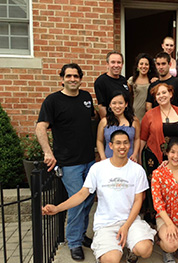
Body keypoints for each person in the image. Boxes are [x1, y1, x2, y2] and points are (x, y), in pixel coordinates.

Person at [42, 130, 156, 263]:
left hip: (130, 221)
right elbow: (81, 195)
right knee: (111, 260)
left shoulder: (137, 170)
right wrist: (57, 209)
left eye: (125, 143)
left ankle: (131, 250)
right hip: (106, 224)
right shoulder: (98, 168)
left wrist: (126, 226)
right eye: (118, 143)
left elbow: (138, 201)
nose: (122, 146)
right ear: (111, 145)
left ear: (129, 145)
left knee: (145, 250)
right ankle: (110, 249)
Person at [36, 63, 96, 260]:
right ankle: (74, 242)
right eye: (68, 76)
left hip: (89, 160)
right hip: (69, 164)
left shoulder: (86, 98)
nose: (72, 79)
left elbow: (92, 120)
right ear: (62, 78)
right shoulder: (53, 101)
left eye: (76, 76)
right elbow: (40, 127)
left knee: (88, 200)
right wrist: (48, 152)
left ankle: (80, 235)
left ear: (80, 78)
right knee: (76, 202)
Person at [141, 83, 178, 224]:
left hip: (176, 158)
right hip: (155, 157)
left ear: (170, 94)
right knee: (157, 190)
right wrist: (137, 157)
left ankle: (173, 217)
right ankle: (155, 219)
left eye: (164, 92)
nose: (161, 96)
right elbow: (142, 139)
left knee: (174, 188)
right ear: (155, 98)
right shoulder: (149, 115)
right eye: (158, 94)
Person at [96, 90, 140, 162]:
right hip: (109, 159)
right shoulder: (104, 122)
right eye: (114, 103)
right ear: (110, 105)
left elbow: (137, 139)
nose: (117, 106)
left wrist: (135, 154)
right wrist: (103, 157)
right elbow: (99, 141)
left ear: (126, 104)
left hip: (129, 159)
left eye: (120, 103)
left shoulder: (134, 121)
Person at [94, 51, 130, 118]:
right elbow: (101, 106)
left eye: (119, 62)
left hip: (125, 121)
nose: (116, 65)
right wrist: (108, 124)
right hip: (112, 123)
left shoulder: (123, 80)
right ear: (107, 64)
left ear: (122, 64)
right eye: (113, 62)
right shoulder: (101, 81)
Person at [127, 53, 158, 120]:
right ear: (137, 66)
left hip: (150, 113)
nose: (143, 66)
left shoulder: (153, 81)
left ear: (149, 66)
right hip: (136, 113)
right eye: (141, 64)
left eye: (146, 64)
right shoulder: (131, 80)